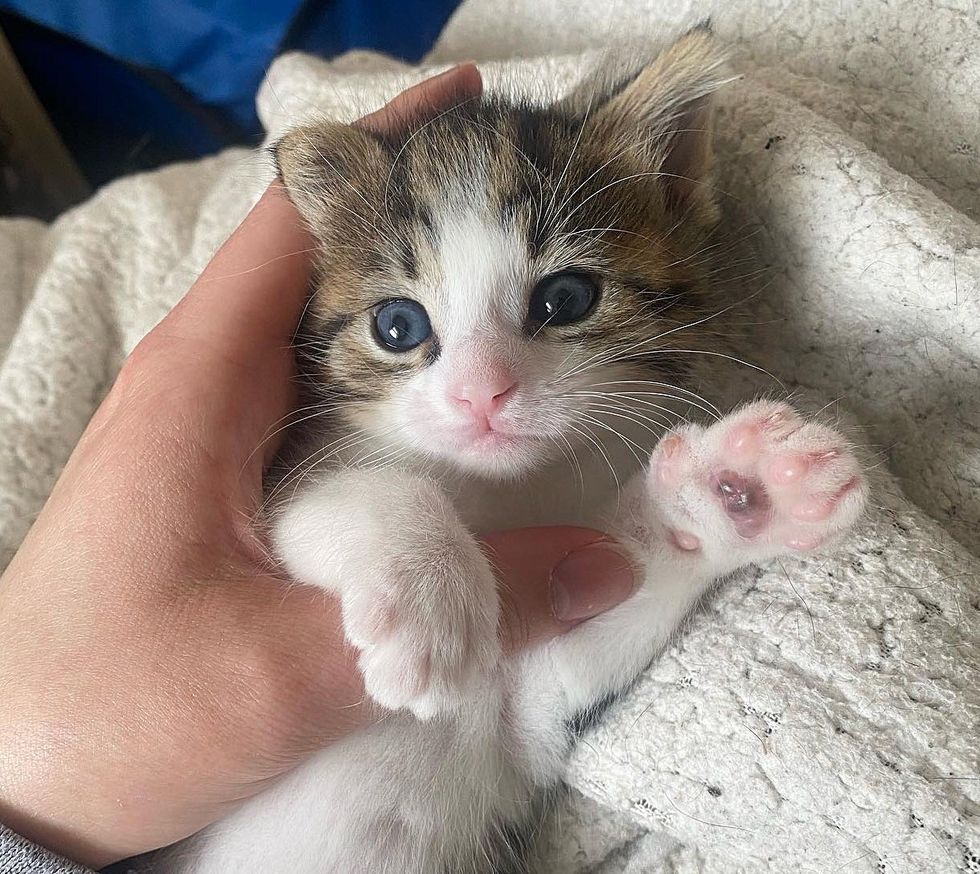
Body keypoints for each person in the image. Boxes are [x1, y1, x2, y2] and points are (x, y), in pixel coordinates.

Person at [0, 66, 636, 873]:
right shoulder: (350, 464)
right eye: (401, 326)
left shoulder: (620, 456)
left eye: (563, 299)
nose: (480, 389)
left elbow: (536, 718)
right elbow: (312, 522)